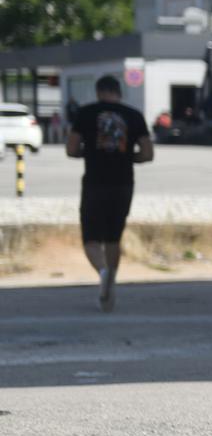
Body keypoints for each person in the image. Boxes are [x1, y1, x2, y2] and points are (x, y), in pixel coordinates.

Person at [66, 75, 153, 311]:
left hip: (94, 182)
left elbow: (71, 149)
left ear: (98, 92)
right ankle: (110, 282)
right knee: (113, 237)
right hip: (123, 183)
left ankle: (103, 272)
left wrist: (90, 153)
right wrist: (127, 157)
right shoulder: (134, 116)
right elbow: (147, 153)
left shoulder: (85, 113)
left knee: (91, 239)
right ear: (119, 92)